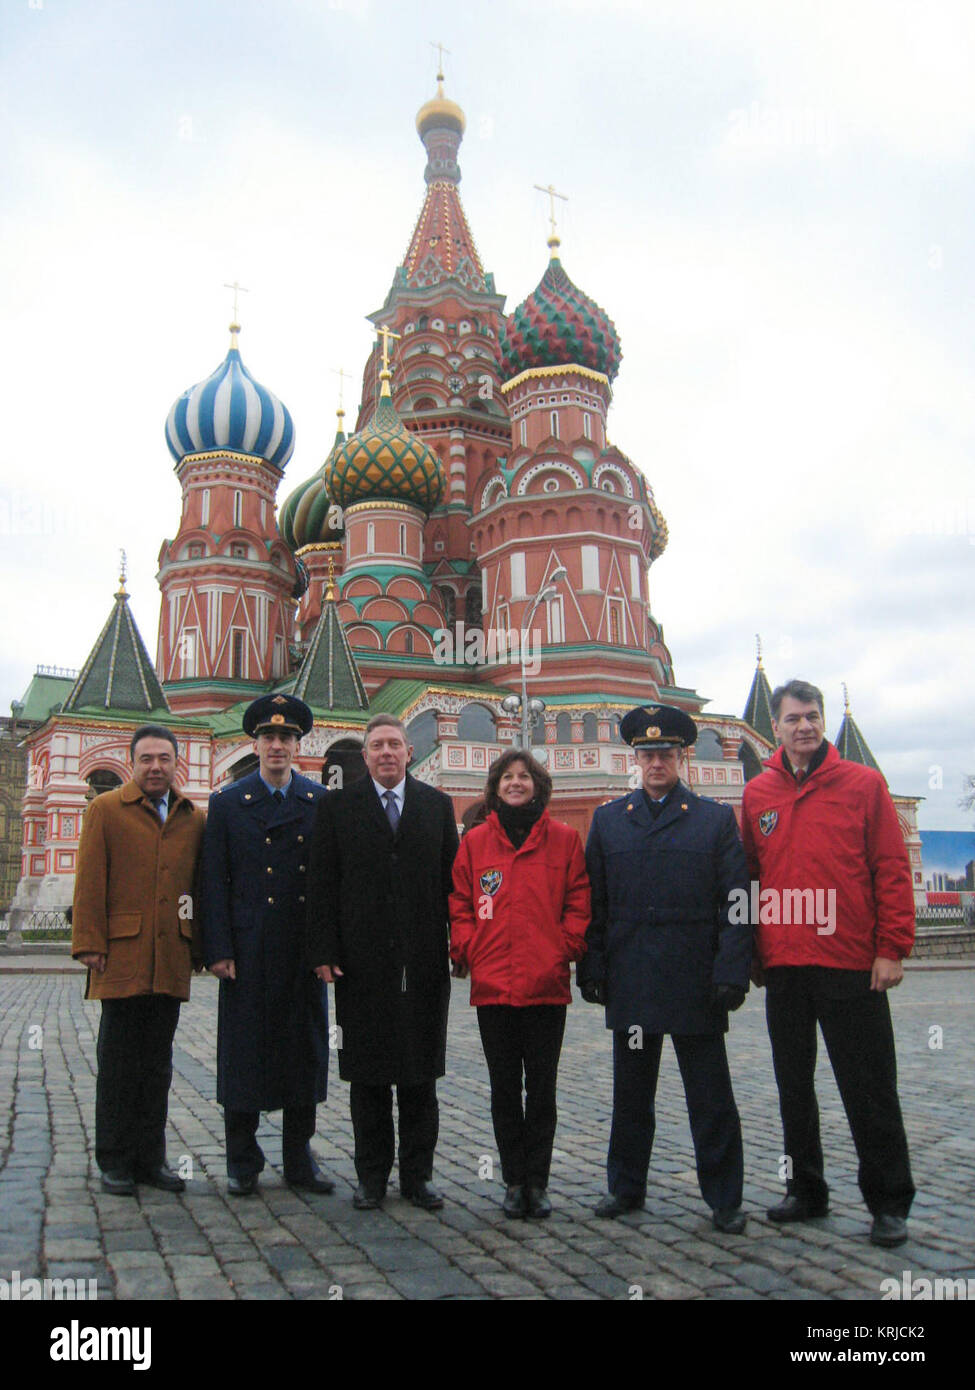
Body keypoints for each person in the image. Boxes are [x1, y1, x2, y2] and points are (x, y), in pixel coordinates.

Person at [741, 679, 916, 1248]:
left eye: (812, 716)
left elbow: (891, 868)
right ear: (777, 726)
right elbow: (750, 876)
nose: (805, 727)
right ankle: (805, 1189)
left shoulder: (863, 785)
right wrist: (753, 951)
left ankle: (889, 1202)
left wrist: (891, 946)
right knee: (793, 1087)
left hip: (849, 962)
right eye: (793, 719)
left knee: (868, 1087)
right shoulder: (758, 794)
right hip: (786, 965)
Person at [577, 703, 752, 1233]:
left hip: (695, 979)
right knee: (631, 1095)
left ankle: (725, 1199)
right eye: (648, 754)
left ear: (683, 757)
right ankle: (625, 1188)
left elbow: (736, 901)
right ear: (636, 758)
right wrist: (593, 965)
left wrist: (731, 971)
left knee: (710, 1096)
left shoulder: (714, 819)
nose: (656, 762)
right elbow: (595, 904)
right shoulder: (610, 820)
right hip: (631, 977)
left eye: (666, 754)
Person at [305, 714, 459, 1211]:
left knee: (420, 1077)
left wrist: (457, 947)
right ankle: (371, 1178)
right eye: (377, 746)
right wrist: (324, 952)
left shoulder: (437, 806)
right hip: (361, 965)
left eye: (395, 744)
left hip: (423, 965)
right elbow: (322, 886)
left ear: (410, 752)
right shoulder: (337, 808)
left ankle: (418, 1177)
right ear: (365, 755)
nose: (387, 753)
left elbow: (452, 886)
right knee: (368, 1078)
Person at [200, 694, 331, 1197]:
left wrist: (327, 950)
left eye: (287, 738)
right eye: (269, 738)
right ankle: (242, 1160)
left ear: (299, 745)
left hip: (301, 950)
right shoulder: (229, 802)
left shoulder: (319, 801)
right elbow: (214, 881)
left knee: (305, 1053)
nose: (277, 745)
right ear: (254, 744)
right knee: (244, 1054)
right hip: (249, 950)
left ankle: (299, 1158)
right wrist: (218, 948)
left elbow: (327, 884)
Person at [449, 749, 589, 1219]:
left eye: (523, 777)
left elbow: (578, 900)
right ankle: (513, 1180)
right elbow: (462, 902)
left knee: (543, 1089)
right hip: (494, 985)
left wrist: (564, 947)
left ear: (538, 785)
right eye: (507, 777)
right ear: (495, 787)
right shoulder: (476, 842)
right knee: (505, 1088)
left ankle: (539, 1181)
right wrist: (469, 948)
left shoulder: (564, 840)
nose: (515, 783)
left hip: (546, 985)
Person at [72, 724, 205, 1196]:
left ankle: (151, 1160)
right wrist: (90, 941)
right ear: (132, 763)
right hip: (123, 954)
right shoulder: (106, 810)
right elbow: (89, 879)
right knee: (118, 1063)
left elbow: (197, 887)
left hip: (169, 954)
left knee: (157, 1065)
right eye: (147, 759)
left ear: (175, 764)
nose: (155, 767)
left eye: (164, 759)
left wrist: (200, 944)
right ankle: (114, 1160)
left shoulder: (192, 817)